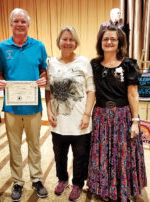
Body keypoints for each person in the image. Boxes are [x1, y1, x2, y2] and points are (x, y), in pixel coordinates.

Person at [87, 25, 147, 202]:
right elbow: (90, 91)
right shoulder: (94, 65)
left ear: (120, 42)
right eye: (105, 39)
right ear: (100, 42)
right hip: (101, 116)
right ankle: (104, 189)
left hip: (123, 116)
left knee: (123, 154)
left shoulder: (128, 64)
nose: (109, 42)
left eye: (113, 39)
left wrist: (135, 121)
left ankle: (124, 188)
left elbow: (133, 94)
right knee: (103, 153)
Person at [0, 8, 48, 201]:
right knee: (14, 147)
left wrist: (43, 79)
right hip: (11, 108)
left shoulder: (38, 46)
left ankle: (36, 179)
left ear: (28, 25)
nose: (19, 25)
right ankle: (17, 181)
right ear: (11, 24)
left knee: (35, 145)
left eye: (23, 22)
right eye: (16, 21)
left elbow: (44, 70)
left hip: (33, 107)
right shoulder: (1, 48)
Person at [45, 26, 95, 202]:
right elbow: (48, 90)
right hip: (58, 120)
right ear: (59, 41)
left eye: (71, 39)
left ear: (76, 42)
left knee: (80, 154)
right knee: (59, 154)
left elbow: (91, 90)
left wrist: (87, 114)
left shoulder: (83, 62)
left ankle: (77, 184)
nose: (67, 42)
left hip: (80, 119)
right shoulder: (51, 64)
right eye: (64, 39)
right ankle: (62, 179)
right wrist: (49, 111)